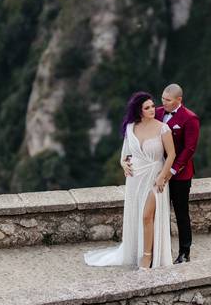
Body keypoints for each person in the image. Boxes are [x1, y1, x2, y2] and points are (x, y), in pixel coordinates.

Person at [84, 92, 176, 269]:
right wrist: (123, 164)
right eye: (147, 107)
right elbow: (125, 154)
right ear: (139, 111)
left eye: (152, 106)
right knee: (136, 215)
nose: (152, 109)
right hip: (135, 178)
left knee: (147, 216)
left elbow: (171, 154)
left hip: (155, 176)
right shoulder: (130, 127)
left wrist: (162, 177)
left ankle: (147, 257)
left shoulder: (163, 128)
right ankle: (137, 250)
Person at [156, 83, 200, 263]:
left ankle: (184, 252)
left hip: (180, 175)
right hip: (158, 172)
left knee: (181, 213)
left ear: (178, 100)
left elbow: (189, 149)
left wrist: (172, 170)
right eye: (162, 99)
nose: (164, 103)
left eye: (168, 100)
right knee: (160, 211)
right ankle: (159, 250)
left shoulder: (190, 118)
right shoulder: (157, 113)